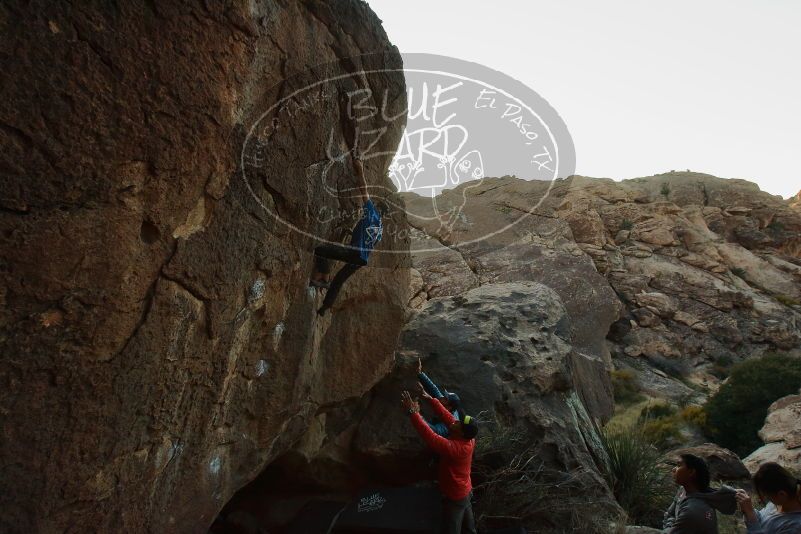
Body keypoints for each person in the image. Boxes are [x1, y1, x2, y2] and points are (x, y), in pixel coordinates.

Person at [310, 148, 382, 316]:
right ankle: (325, 307)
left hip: (354, 254)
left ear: (377, 208)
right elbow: (368, 239)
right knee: (340, 280)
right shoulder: (380, 229)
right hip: (362, 259)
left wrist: (359, 168)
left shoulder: (372, 212)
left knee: (320, 250)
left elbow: (363, 189)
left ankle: (324, 275)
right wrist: (351, 232)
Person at [401, 389, 479, 534]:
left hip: (456, 495)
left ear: (461, 432)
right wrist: (431, 399)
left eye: (459, 424)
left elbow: (430, 436)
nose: (455, 422)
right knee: (469, 527)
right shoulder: (467, 437)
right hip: (465, 490)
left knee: (452, 528)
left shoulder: (456, 449)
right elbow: (448, 417)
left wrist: (413, 413)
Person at [663, 454, 737, 534]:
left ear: (691, 472)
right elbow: (669, 514)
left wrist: (669, 526)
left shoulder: (694, 509)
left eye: (679, 465)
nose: (674, 469)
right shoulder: (683, 490)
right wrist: (672, 524)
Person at [735, 462, 801, 534]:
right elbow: (762, 518)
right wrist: (747, 508)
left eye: (768, 496)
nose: (766, 498)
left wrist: (750, 515)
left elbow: (757, 525)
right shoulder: (780, 502)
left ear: (782, 494)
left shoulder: (795, 526)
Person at [417, 358, 463, 438]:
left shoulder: (450, 424)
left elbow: (434, 431)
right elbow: (434, 389)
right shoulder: (445, 403)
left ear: (449, 407)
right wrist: (420, 373)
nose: (441, 397)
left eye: (445, 399)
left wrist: (416, 414)